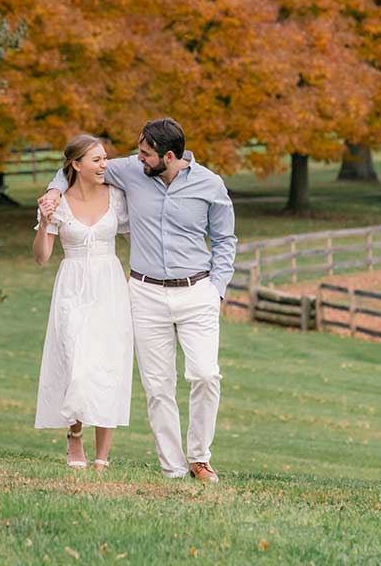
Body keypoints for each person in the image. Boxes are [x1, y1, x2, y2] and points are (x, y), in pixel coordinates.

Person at [39, 117, 236, 483]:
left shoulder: (210, 184)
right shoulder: (131, 170)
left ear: (170, 155)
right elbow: (74, 164)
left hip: (197, 292)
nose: (137, 158)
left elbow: (226, 240)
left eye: (145, 153)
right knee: (158, 386)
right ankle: (174, 469)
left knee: (206, 374)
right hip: (145, 293)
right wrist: (53, 191)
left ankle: (199, 457)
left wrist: (217, 288)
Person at [32, 134, 133, 471]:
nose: (105, 165)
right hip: (72, 285)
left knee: (108, 364)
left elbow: (137, 239)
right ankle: (74, 436)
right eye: (97, 160)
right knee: (75, 360)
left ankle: (103, 455)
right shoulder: (55, 202)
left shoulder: (117, 197)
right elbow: (42, 257)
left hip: (109, 285)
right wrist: (44, 222)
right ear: (76, 165)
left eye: (105, 158)